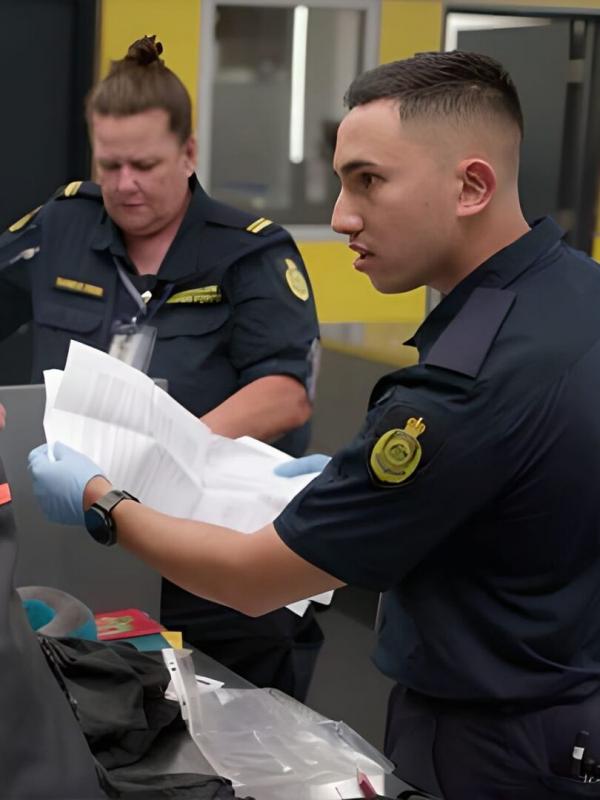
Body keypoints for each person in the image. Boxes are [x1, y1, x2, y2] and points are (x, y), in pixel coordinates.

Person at [27, 49, 600, 798]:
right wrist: (375, 483)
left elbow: (253, 578)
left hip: (494, 744)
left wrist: (102, 499)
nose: (340, 216)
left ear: (471, 187)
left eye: (370, 181)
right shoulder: (573, 292)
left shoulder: (461, 386)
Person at [0, 35, 323, 699]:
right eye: (110, 163)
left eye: (145, 164)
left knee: (232, 730)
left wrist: (168, 449)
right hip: (78, 546)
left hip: (211, 559)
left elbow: (284, 393)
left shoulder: (249, 253)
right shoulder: (61, 226)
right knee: (83, 722)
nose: (125, 184)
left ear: (188, 153)